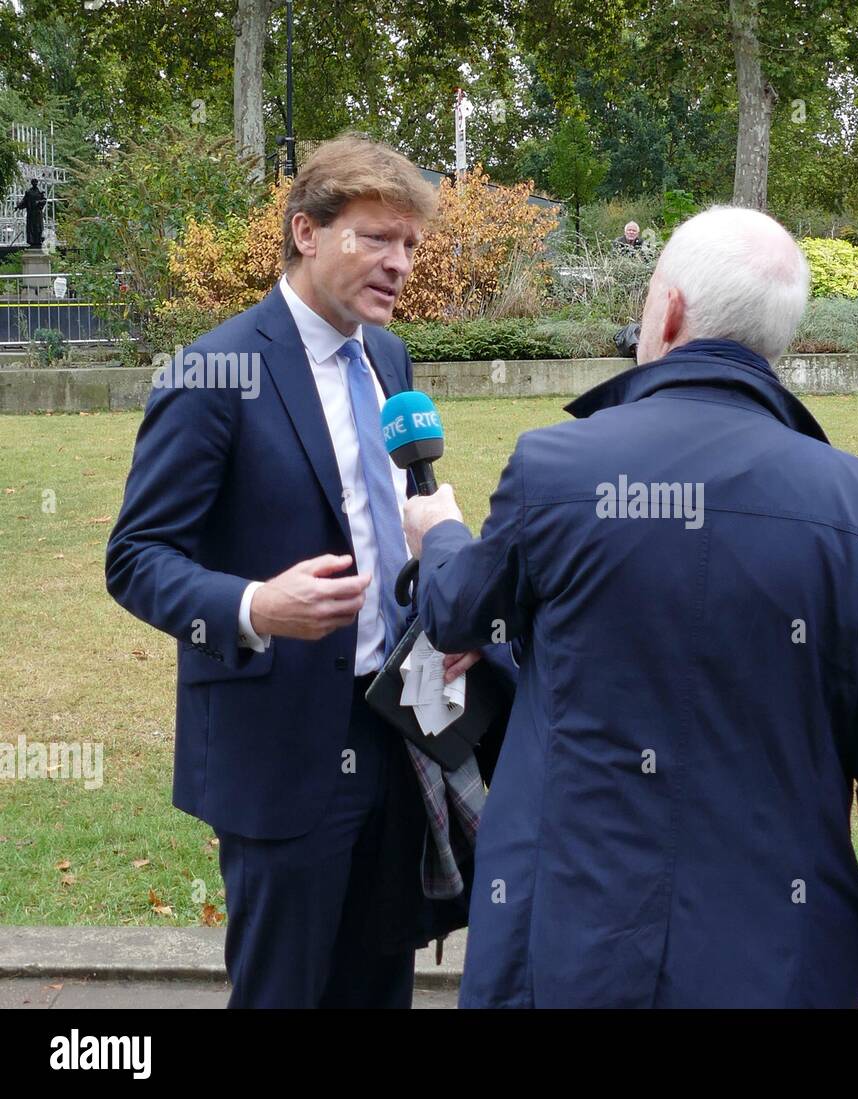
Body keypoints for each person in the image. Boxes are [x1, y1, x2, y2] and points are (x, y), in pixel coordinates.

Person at [402, 205, 858, 1008]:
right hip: (777, 956)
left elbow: (456, 612)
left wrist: (438, 532)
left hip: (566, 947)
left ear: (670, 309)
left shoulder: (558, 467)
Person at [106, 133, 496, 1008]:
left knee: (378, 986)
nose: (399, 264)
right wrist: (253, 604)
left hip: (398, 730)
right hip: (281, 747)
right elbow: (134, 559)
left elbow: (391, 516)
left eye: (410, 245)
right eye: (375, 238)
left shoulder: (388, 359)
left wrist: (439, 609)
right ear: (306, 233)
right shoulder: (215, 372)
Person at [16, 179, 46, 249]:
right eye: (33, 182)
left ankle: (38, 241)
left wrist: (39, 202)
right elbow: (24, 201)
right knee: (31, 228)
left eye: (36, 182)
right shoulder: (28, 192)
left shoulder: (40, 191)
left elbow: (44, 200)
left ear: (37, 183)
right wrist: (18, 206)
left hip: (38, 213)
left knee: (38, 227)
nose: (35, 183)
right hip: (31, 213)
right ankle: (32, 242)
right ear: (32, 183)